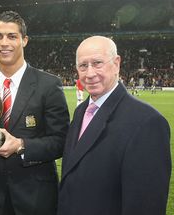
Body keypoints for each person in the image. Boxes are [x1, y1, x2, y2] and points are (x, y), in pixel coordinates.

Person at [57, 36, 171, 215]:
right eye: (83, 66)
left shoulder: (147, 122)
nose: (90, 73)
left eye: (97, 63)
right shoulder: (81, 111)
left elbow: (145, 206)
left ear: (116, 63)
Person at [0, 11, 70, 215]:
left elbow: (61, 140)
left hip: (37, 197)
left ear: (24, 40)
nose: (4, 43)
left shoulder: (48, 84)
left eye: (12, 36)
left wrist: (21, 145)